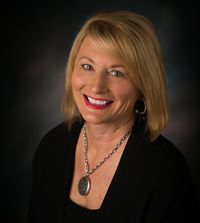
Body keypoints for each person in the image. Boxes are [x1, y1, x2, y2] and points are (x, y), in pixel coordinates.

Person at [28, 10, 198, 223]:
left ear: (143, 86)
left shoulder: (164, 172)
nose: (97, 86)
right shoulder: (52, 146)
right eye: (87, 66)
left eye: (116, 73)